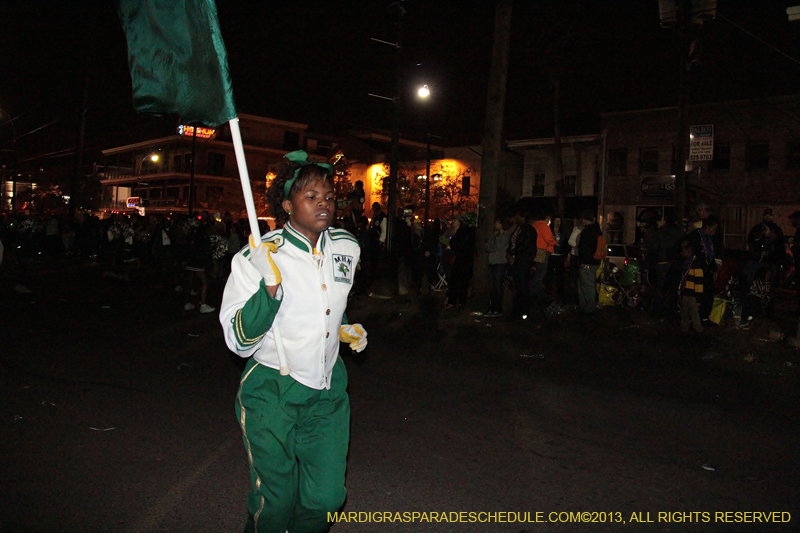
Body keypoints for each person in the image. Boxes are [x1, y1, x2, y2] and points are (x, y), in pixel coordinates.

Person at [219, 150, 365, 533]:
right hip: (272, 390)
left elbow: (330, 302)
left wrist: (344, 328)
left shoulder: (347, 247)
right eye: (311, 196)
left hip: (328, 391)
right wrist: (268, 292)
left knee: (328, 498)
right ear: (286, 204)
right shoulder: (258, 256)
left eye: (329, 196)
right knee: (276, 500)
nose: (324, 204)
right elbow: (237, 340)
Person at [645, 214, 683, 318]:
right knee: (674, 288)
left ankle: (658, 311)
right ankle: (672, 311)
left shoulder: (659, 233)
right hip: (676, 262)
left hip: (663, 262)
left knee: (661, 288)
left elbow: (653, 247)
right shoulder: (678, 232)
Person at [507, 210, 537, 320]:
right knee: (517, 286)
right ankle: (516, 310)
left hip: (524, 261)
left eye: (518, 216)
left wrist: (514, 253)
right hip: (517, 261)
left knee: (523, 286)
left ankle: (524, 311)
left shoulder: (529, 230)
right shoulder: (518, 229)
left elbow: (525, 245)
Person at [444, 213, 476, 309]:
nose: (452, 222)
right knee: (458, 280)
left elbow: (456, 245)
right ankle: (457, 300)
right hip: (461, 259)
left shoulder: (463, 232)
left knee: (459, 280)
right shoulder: (457, 232)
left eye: (454, 220)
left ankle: (457, 301)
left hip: (462, 259)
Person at [576, 210, 602, 314]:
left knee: (587, 286)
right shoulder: (596, 230)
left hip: (587, 263)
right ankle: (585, 307)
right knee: (584, 285)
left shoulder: (588, 232)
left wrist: (583, 261)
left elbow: (584, 248)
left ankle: (589, 308)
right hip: (592, 262)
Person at [678, 239, 705, 333]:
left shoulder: (695, 263)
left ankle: (698, 330)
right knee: (684, 313)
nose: (681, 253)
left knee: (694, 314)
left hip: (693, 295)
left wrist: (698, 297)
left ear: (688, 251)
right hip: (686, 292)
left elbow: (699, 282)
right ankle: (684, 329)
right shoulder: (687, 263)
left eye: (683, 251)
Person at [485, 217, 510, 317]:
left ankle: (498, 308)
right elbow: (487, 246)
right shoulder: (494, 235)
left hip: (500, 263)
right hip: (492, 262)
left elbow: (499, 246)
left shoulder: (506, 235)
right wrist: (493, 248)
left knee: (498, 285)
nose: (494, 225)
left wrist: (493, 247)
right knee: (492, 286)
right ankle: (492, 307)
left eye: (496, 223)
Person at [531, 211, 557, 303]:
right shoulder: (543, 226)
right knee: (541, 272)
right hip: (542, 251)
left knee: (539, 271)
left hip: (537, 250)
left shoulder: (535, 225)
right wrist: (555, 241)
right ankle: (535, 291)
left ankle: (535, 290)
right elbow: (549, 239)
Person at [545, 214, 568, 301]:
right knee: (549, 274)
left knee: (560, 274)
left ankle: (560, 292)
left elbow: (565, 243)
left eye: (559, 221)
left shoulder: (563, 232)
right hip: (551, 255)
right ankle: (549, 290)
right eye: (556, 221)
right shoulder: (549, 231)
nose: (557, 223)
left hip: (560, 255)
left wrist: (566, 254)